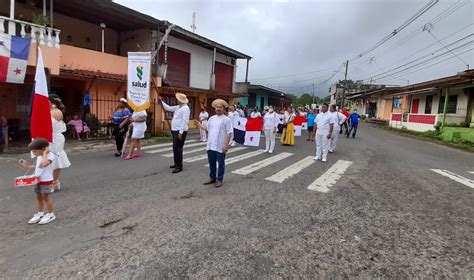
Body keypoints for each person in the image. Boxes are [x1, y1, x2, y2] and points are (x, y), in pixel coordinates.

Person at [194, 99, 233, 188]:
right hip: (211, 145)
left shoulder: (227, 120)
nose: (218, 109)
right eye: (217, 107)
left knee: (221, 163)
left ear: (223, 109)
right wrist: (199, 125)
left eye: (220, 107)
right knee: (211, 163)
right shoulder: (211, 118)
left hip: (220, 146)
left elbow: (229, 133)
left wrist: (226, 145)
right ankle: (212, 178)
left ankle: (219, 179)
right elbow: (207, 128)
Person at [20, 138, 56, 224]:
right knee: (39, 197)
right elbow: (38, 166)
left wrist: (45, 153)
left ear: (43, 149)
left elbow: (44, 164)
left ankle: (51, 214)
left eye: (35, 151)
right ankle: (40, 213)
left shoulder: (50, 155)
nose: (33, 153)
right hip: (38, 179)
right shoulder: (40, 156)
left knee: (46, 197)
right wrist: (27, 166)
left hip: (46, 180)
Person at [159, 93, 190, 174]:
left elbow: (185, 121)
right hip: (175, 130)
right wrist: (161, 101)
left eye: (177, 99)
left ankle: (179, 166)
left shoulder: (185, 109)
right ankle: (176, 163)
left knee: (178, 148)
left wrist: (181, 132)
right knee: (175, 148)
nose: (177, 100)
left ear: (180, 100)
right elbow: (168, 108)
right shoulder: (178, 107)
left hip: (180, 131)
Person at [49, 95, 71, 191]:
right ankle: (53, 181)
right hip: (51, 137)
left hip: (55, 138)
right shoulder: (51, 111)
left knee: (56, 158)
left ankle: (54, 181)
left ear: (51, 102)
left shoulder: (55, 112)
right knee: (49, 158)